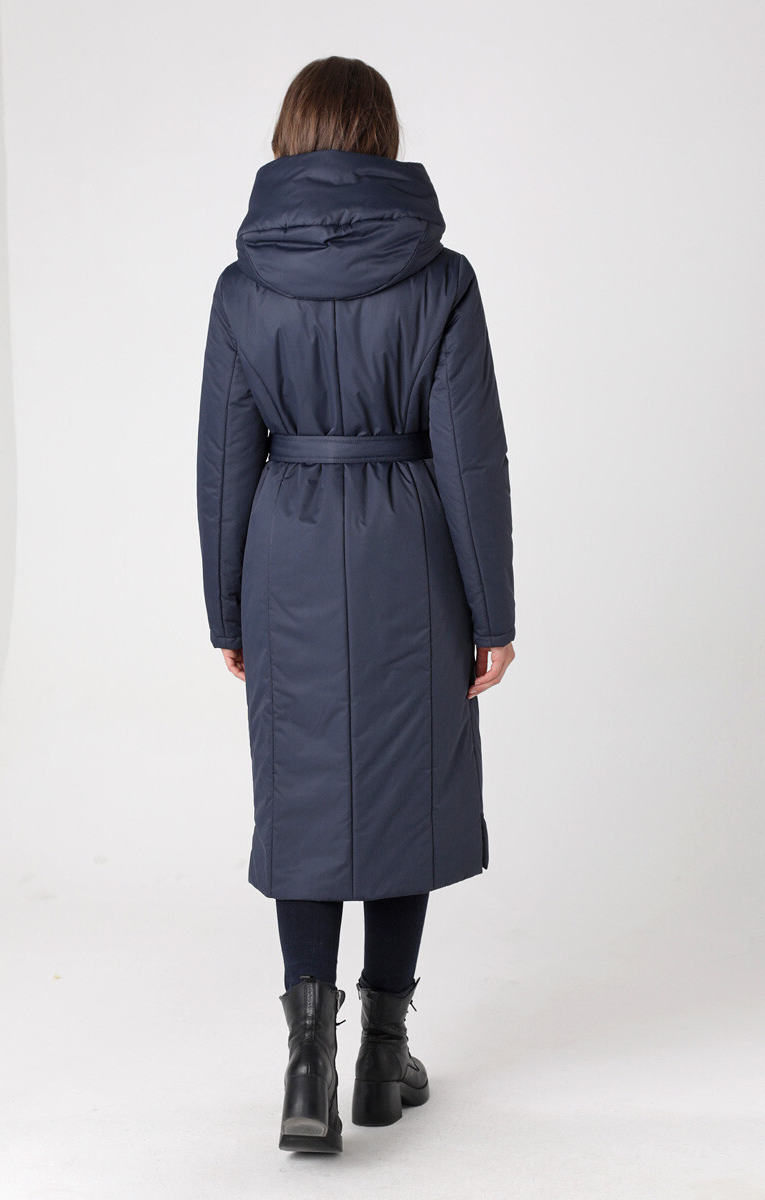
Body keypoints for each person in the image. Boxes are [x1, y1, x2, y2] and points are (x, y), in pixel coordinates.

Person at [196, 56, 516, 1154]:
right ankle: (382, 1052)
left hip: (285, 549)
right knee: (403, 792)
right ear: (383, 136)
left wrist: (227, 609)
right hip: (409, 558)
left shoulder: (243, 285)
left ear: (289, 137)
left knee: (306, 796)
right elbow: (471, 458)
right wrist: (492, 613)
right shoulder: (442, 277)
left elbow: (224, 461)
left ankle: (306, 1063)